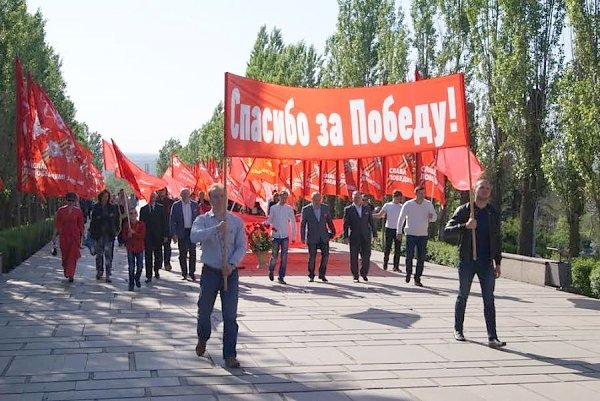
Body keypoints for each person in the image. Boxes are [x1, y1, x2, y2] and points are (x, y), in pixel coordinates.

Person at [190, 183, 247, 369]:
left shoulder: (236, 221)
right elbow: (194, 236)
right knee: (204, 310)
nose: (219, 199)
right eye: (215, 196)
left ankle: (230, 355)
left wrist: (231, 265)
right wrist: (215, 229)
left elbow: (241, 246)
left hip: (229, 273)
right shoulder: (203, 219)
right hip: (210, 272)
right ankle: (203, 337)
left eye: (222, 196)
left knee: (230, 315)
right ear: (209, 199)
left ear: (227, 197)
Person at [444, 179, 506, 348]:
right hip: (467, 260)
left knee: (489, 299)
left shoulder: (493, 213)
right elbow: (446, 232)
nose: (485, 190)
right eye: (481, 187)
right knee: (463, 295)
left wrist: (498, 262)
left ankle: (492, 337)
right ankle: (458, 329)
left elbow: (497, 239)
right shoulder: (465, 210)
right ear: (475, 190)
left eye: (487, 188)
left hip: (486, 263)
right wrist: (465, 226)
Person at [396, 185, 437, 286]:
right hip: (410, 234)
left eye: (423, 193)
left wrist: (432, 217)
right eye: (420, 193)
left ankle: (417, 278)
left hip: (423, 235)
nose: (422, 195)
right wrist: (399, 231)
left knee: (421, 258)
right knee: (409, 255)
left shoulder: (428, 204)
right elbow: (401, 218)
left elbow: (434, 217)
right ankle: (408, 272)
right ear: (416, 194)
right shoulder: (408, 204)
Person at [301, 192, 336, 282]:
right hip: (312, 237)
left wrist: (333, 231)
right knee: (312, 257)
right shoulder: (306, 209)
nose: (317, 201)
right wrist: (302, 237)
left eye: (319, 199)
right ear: (312, 199)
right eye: (315, 200)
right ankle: (311, 275)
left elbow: (329, 221)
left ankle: (322, 274)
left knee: (326, 256)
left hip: (323, 236)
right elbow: (303, 224)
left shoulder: (325, 208)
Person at [343, 191, 377, 283]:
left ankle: (364, 273)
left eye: (359, 197)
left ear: (361, 198)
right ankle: (355, 275)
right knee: (354, 257)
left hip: (366, 236)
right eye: (355, 197)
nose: (357, 199)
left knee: (366, 257)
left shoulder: (367, 208)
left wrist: (375, 234)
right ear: (352, 198)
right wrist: (345, 236)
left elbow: (371, 222)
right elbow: (345, 224)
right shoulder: (348, 209)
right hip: (354, 236)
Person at [265, 191, 296, 285]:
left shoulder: (289, 209)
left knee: (284, 257)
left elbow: (293, 222)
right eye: (282, 197)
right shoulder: (273, 208)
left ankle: (281, 277)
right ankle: (271, 270)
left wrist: (293, 236)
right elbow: (270, 219)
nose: (284, 199)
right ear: (279, 197)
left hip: (285, 236)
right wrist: (264, 224)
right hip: (275, 235)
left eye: (286, 198)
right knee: (274, 255)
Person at [89, 189, 120, 282]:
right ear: (101, 197)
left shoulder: (112, 207)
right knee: (99, 255)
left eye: (107, 196)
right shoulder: (96, 207)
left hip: (108, 234)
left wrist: (117, 230)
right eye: (104, 196)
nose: (105, 198)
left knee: (108, 254)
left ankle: (108, 274)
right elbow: (93, 220)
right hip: (98, 234)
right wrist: (92, 233)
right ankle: (99, 271)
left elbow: (116, 219)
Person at [52, 192, 84, 282]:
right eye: (69, 200)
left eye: (72, 200)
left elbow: (81, 225)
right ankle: (67, 270)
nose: (70, 202)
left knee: (72, 256)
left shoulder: (78, 211)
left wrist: (83, 236)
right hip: (64, 236)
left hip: (74, 236)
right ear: (66, 200)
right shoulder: (61, 211)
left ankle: (71, 274)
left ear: (75, 201)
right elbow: (57, 224)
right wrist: (54, 236)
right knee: (65, 256)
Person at [170, 188, 199, 280]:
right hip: (182, 232)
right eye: (183, 194)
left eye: (187, 194)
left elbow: (199, 218)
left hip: (192, 231)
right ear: (181, 195)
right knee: (182, 253)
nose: (185, 196)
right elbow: (172, 220)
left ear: (189, 195)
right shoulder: (176, 205)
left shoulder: (194, 205)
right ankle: (184, 273)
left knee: (193, 253)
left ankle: (192, 272)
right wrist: (173, 234)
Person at [140, 192, 167, 283]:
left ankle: (156, 270)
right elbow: (141, 224)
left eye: (153, 197)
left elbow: (164, 222)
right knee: (148, 256)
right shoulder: (143, 209)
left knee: (158, 255)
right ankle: (148, 275)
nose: (152, 198)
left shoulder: (160, 208)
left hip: (158, 236)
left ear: (155, 198)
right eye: (150, 197)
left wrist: (165, 235)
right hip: (147, 236)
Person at [373, 190, 404, 272]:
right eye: (398, 197)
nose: (399, 199)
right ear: (394, 197)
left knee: (397, 248)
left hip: (398, 229)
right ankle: (385, 264)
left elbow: (406, 217)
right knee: (388, 247)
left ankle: (396, 266)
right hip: (389, 228)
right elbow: (380, 215)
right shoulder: (388, 205)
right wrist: (370, 215)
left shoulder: (402, 206)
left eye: (400, 198)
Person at [122, 208, 146, 291]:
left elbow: (142, 236)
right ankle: (131, 283)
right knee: (131, 267)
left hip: (139, 247)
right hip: (130, 248)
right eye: (131, 214)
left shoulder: (141, 224)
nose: (132, 215)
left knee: (140, 266)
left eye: (134, 213)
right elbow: (123, 238)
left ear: (137, 215)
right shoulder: (126, 225)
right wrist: (128, 235)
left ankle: (137, 278)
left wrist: (134, 233)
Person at [157, 187, 174, 271]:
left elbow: (173, 217)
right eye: (159, 190)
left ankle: (167, 263)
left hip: (167, 227)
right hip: (158, 228)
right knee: (158, 247)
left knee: (167, 247)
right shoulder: (155, 202)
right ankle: (159, 263)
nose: (161, 192)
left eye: (162, 190)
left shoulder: (170, 202)